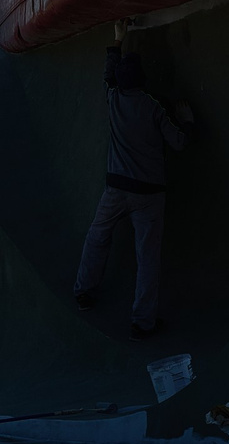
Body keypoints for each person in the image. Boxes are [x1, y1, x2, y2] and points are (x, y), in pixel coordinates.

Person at [72, 42, 196, 338]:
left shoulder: (112, 99)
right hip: (149, 195)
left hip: (115, 188)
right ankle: (143, 323)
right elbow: (179, 143)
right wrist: (189, 122)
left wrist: (116, 41)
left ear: (120, 81)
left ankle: (83, 292)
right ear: (142, 80)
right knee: (148, 258)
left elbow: (107, 76)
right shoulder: (153, 107)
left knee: (97, 236)